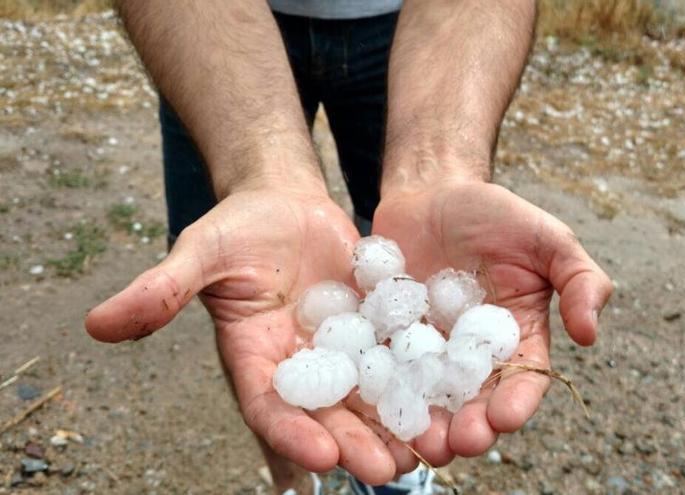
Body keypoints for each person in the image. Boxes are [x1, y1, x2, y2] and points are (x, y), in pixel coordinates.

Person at [84, 1, 613, 494]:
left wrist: (441, 166)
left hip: (407, 29)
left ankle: (390, 480)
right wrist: (261, 176)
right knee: (251, 286)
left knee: (328, 259)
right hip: (206, 36)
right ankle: (294, 479)